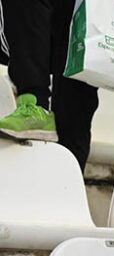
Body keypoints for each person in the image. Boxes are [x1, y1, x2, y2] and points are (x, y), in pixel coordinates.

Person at [0, 0, 99, 170]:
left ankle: (68, 187)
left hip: (85, 22)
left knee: (73, 128)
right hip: (35, 26)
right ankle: (34, 104)